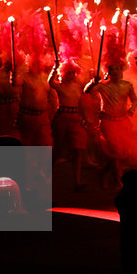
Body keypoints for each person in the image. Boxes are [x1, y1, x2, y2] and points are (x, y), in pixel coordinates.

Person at [50, 60, 88, 189]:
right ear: (64, 73)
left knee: (78, 149)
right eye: (69, 72)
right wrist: (55, 68)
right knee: (58, 150)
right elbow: (50, 82)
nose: (71, 75)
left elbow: (81, 103)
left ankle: (77, 181)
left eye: (73, 73)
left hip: (75, 118)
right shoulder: (60, 86)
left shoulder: (77, 86)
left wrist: (85, 118)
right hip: (62, 118)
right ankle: (48, 177)